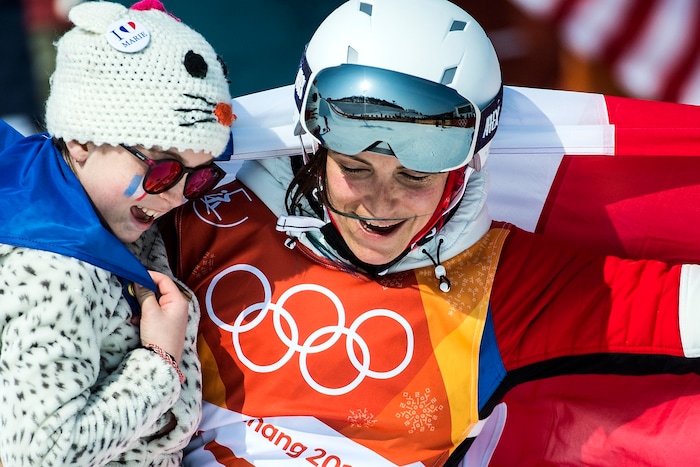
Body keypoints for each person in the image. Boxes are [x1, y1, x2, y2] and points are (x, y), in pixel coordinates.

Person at [161, 0, 700, 465]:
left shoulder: (505, 280)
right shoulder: (203, 212)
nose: (380, 201)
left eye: (415, 176)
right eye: (355, 167)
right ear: (315, 145)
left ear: (466, 170)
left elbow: (676, 310)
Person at [0, 0, 233, 465]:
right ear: (82, 140)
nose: (177, 195)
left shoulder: (114, 213)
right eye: (163, 169)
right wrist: (160, 364)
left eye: (201, 175)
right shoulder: (55, 269)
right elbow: (40, 455)